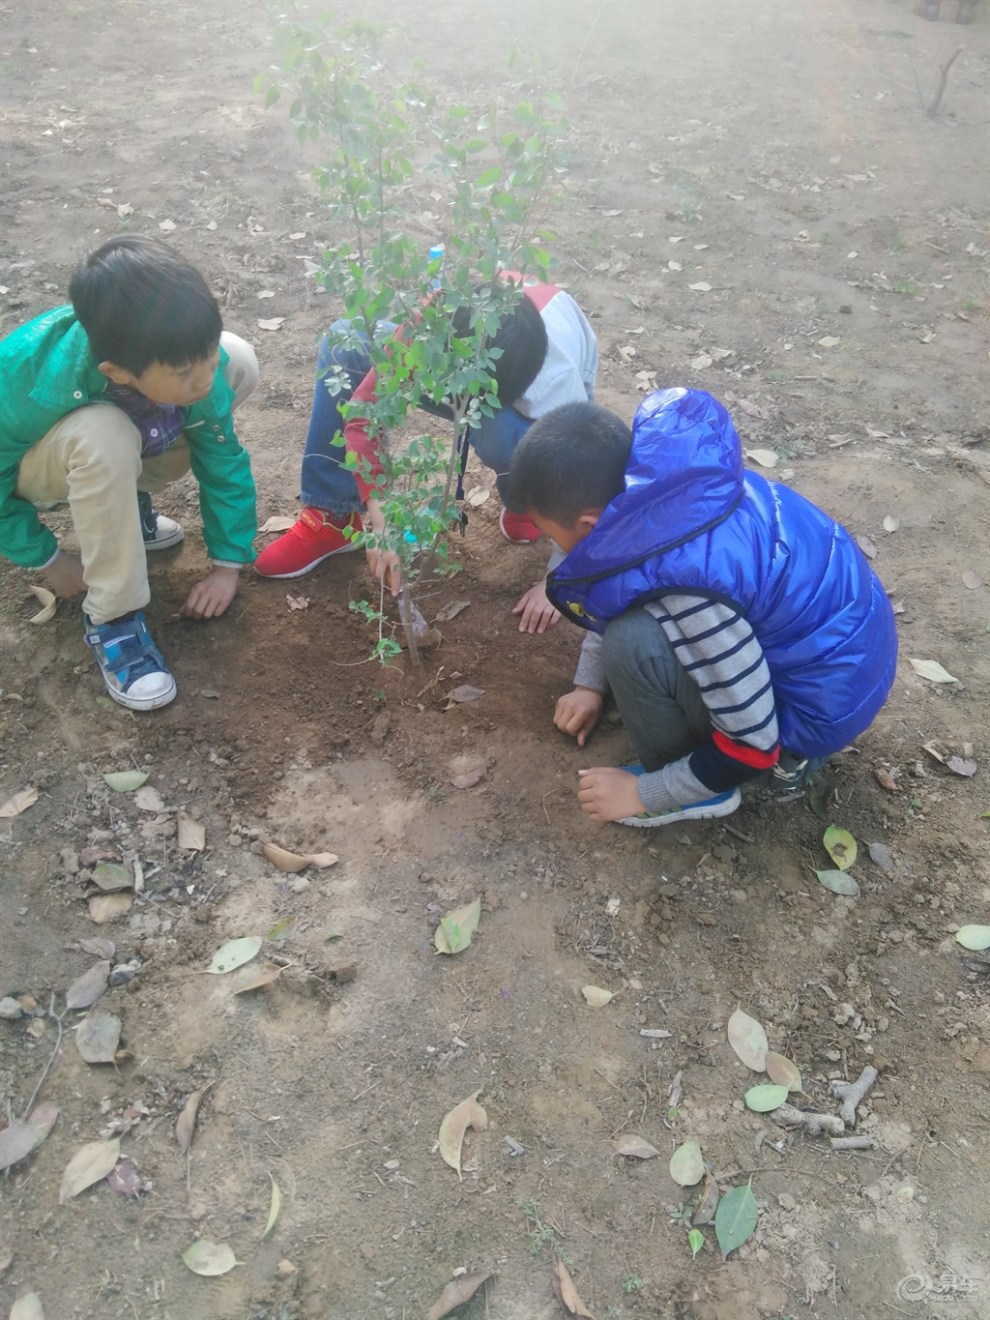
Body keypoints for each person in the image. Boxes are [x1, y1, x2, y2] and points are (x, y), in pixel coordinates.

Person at [507, 389, 898, 827]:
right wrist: (589, 686)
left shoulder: (691, 590)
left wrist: (643, 792)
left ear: (589, 525)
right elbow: (620, 582)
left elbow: (753, 742)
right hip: (835, 665)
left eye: (547, 534)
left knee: (631, 641)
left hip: (801, 723)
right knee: (641, 624)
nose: (550, 545)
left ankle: (707, 792)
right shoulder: (674, 497)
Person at [254, 272, 598, 633]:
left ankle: (528, 503)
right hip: (464, 357)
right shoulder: (436, 322)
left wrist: (560, 580)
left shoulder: (557, 387)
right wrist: (382, 521)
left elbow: (583, 482)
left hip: (535, 393)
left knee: (503, 433)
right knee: (348, 342)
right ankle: (331, 517)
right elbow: (363, 414)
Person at [0, 234, 259, 711]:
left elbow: (223, 459)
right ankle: (112, 618)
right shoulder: (25, 375)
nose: (202, 378)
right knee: (104, 432)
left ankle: (125, 507)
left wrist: (227, 566)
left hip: (116, 445)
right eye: (184, 371)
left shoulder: (195, 366)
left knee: (238, 360)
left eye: (203, 358)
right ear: (116, 372)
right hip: (34, 471)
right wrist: (48, 559)